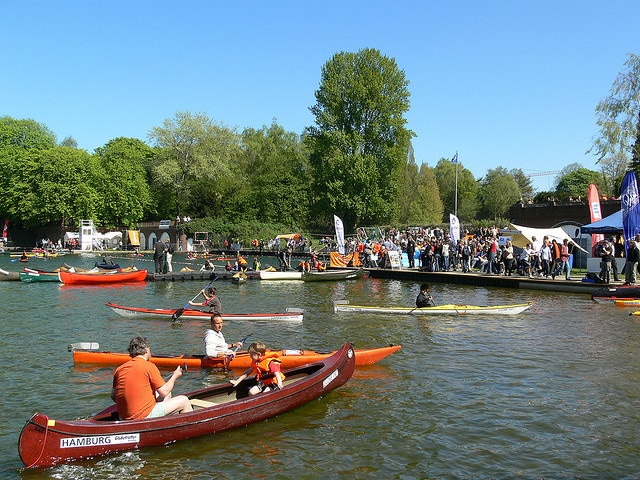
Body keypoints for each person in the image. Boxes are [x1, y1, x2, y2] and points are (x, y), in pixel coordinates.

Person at [111, 336, 192, 420]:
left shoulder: (119, 369)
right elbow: (164, 391)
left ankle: (161, 422)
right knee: (184, 401)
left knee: (168, 395)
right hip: (142, 416)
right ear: (147, 350)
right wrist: (175, 376)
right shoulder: (149, 366)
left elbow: (113, 396)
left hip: (123, 417)